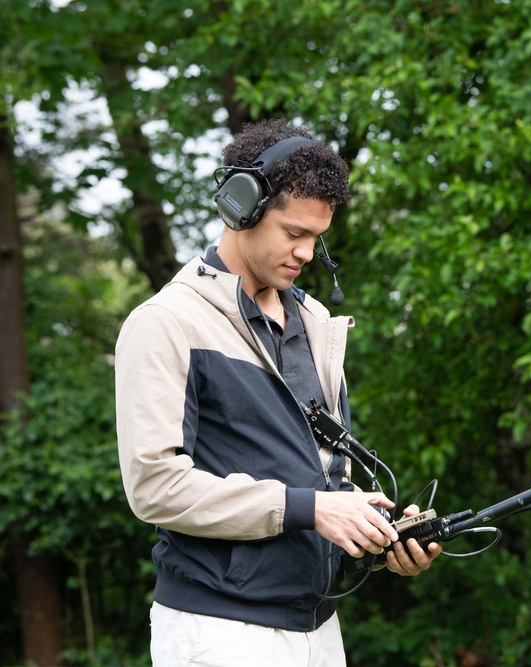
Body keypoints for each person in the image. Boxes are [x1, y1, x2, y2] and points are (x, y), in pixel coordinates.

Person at [116, 118, 440, 666]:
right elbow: (154, 486)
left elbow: (320, 483)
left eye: (317, 238)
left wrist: (379, 539)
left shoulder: (315, 323)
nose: (308, 253)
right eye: (294, 234)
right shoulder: (166, 323)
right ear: (241, 208)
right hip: (219, 631)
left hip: (319, 627)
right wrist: (311, 509)